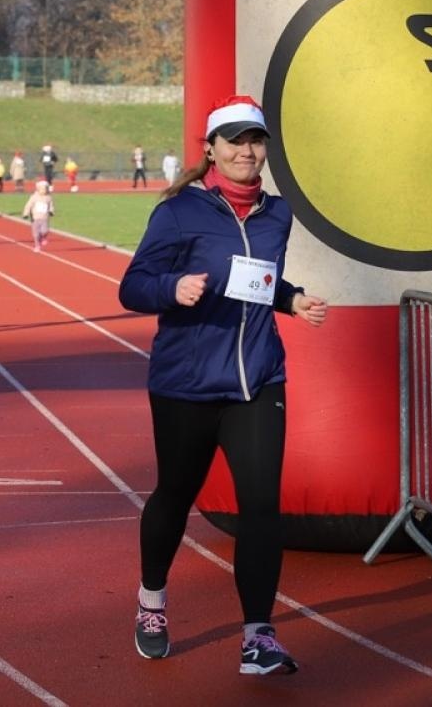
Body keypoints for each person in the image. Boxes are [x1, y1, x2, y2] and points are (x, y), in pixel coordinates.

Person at [117, 94, 329, 675]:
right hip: (187, 384)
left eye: (255, 140)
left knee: (262, 507)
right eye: (234, 140)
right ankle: (153, 599)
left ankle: (258, 636)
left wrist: (292, 298)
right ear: (210, 149)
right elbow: (132, 286)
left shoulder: (277, 214)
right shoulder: (179, 212)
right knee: (174, 497)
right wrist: (172, 289)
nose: (246, 150)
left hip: (258, 381)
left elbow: (261, 281)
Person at [21, 179, 56, 251]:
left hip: (44, 218)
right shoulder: (34, 197)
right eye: (42, 189)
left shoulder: (48, 198)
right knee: (36, 234)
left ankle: (43, 237)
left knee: (45, 231)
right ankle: (37, 245)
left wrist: (51, 211)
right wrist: (26, 213)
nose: (44, 191)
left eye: (46, 189)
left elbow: (51, 205)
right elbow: (28, 205)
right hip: (35, 218)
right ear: (38, 189)